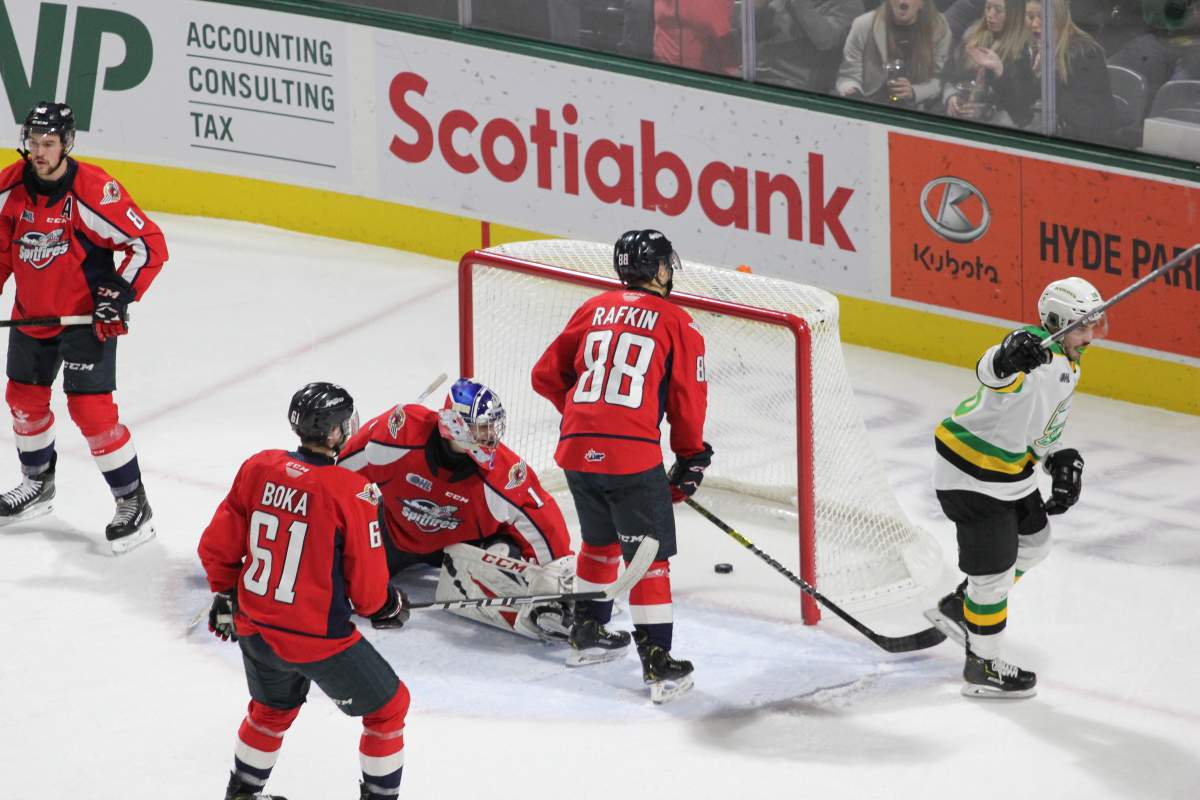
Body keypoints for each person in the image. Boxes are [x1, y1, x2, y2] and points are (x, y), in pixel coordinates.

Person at [198, 382, 411, 800]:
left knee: (271, 710)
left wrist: (224, 594)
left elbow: (216, 546)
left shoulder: (259, 467)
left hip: (254, 628)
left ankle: (241, 794)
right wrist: (389, 604)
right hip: (316, 640)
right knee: (390, 708)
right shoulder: (352, 491)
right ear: (333, 432)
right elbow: (368, 595)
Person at [531, 229, 711, 704]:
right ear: (659, 269)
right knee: (648, 557)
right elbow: (687, 400)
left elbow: (545, 376)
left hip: (576, 449)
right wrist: (691, 455)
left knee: (599, 541)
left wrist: (586, 419)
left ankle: (588, 632)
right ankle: (658, 662)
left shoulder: (592, 308)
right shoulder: (679, 322)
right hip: (631, 457)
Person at [925, 278, 1106, 699]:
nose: (1091, 335)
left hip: (1010, 473)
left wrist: (1057, 458)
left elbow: (1036, 427)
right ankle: (982, 665)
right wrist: (1007, 357)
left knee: (1036, 544)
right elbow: (992, 371)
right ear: (1059, 323)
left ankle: (961, 608)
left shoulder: (1068, 363)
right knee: (992, 577)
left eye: (1095, 325)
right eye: (1083, 326)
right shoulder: (1032, 353)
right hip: (973, 476)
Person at [0, 101, 167, 554]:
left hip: (84, 321)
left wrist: (117, 295)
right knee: (23, 401)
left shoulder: (94, 190)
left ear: (67, 144)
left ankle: (133, 503)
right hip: (31, 315)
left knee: (92, 414)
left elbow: (148, 244)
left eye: (48, 143)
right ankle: (38, 484)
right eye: (33, 142)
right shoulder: (10, 187)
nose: (38, 152)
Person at [337, 378, 575, 641]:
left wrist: (556, 580)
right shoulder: (397, 437)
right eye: (482, 427)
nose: (490, 436)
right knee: (338, 574)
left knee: (505, 554)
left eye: (492, 427)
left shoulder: (503, 474)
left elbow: (544, 523)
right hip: (396, 535)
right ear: (455, 424)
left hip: (464, 549)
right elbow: (339, 478)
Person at [837, 0, 952, 110]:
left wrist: (914, 91)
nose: (902, 1)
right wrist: (853, 92)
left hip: (914, 110)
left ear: (922, 3)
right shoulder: (864, 25)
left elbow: (941, 79)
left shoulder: (938, 28)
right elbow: (848, 76)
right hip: (869, 103)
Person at [939, 0, 1032, 126]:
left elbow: (1021, 109)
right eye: (987, 8)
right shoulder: (971, 36)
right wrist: (951, 96)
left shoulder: (1024, 50)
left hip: (997, 128)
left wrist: (999, 70)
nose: (990, 14)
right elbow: (948, 75)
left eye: (998, 10)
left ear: (1013, 14)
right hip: (959, 120)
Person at [755, 0, 864, 93]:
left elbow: (825, 41)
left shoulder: (849, 4)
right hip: (756, 73)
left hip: (796, 86)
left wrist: (799, 3)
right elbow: (751, 32)